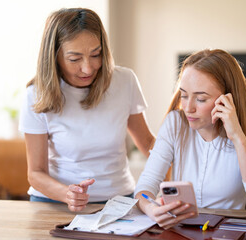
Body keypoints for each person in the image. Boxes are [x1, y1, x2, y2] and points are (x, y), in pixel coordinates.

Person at [135, 49, 246, 229]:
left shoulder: (242, 131)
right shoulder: (175, 123)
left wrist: (237, 137)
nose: (188, 107)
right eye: (184, 95)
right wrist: (150, 208)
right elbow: (144, 189)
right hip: (183, 232)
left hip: (227, 232)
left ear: (226, 100)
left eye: (200, 99)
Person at [19, 8, 154, 211]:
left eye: (95, 54)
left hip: (119, 200)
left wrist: (177, 183)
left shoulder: (125, 81)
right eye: (74, 59)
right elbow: (36, 172)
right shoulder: (36, 94)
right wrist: (67, 194)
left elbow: (147, 143)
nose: (88, 68)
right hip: (55, 203)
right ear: (54, 56)